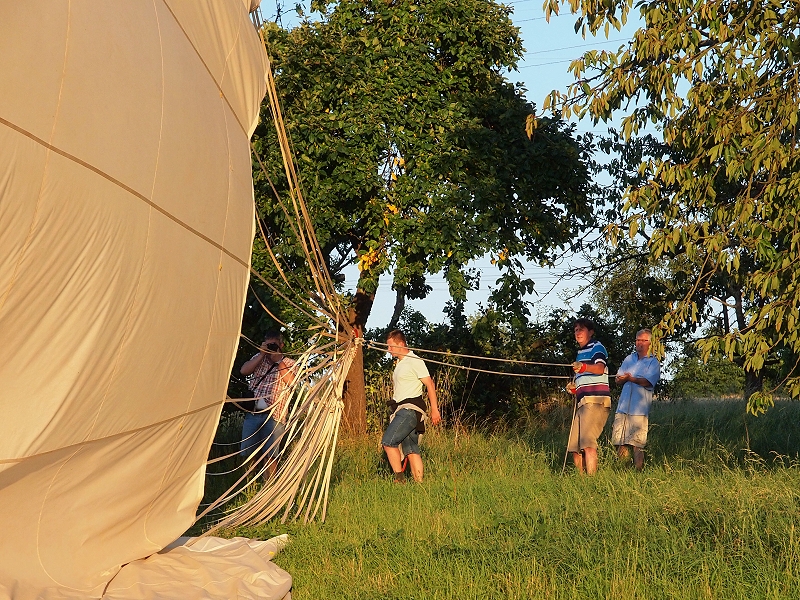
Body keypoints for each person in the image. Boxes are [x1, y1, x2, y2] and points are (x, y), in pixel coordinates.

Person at [381, 330, 441, 482]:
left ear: (401, 344)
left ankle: (399, 479)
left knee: (388, 442)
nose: (389, 350)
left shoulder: (414, 361)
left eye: (391, 346)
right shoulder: (400, 363)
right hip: (403, 409)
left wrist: (434, 409)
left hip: (410, 409)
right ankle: (420, 485)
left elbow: (430, 384)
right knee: (411, 449)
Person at [239, 331, 296, 480]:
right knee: (248, 453)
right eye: (268, 344)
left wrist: (278, 361)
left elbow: (292, 382)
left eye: (274, 345)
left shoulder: (289, 363)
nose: (271, 348)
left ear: (281, 345)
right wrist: (261, 354)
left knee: (271, 455)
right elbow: (244, 370)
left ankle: (269, 485)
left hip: (275, 415)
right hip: (254, 413)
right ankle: (248, 484)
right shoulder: (259, 358)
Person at [566, 317, 611, 475]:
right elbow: (586, 377)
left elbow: (599, 369)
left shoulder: (597, 346)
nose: (578, 332)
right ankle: (582, 482)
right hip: (583, 403)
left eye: (581, 329)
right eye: (576, 330)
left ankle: (592, 480)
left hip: (595, 401)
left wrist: (583, 367)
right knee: (574, 447)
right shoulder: (580, 353)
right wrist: (574, 389)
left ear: (590, 332)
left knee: (587, 443)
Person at [613, 328, 661, 471]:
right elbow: (617, 379)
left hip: (639, 409)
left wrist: (630, 378)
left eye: (644, 340)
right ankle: (623, 470)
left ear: (650, 343)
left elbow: (648, 382)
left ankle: (638, 471)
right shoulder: (629, 359)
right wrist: (621, 379)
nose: (640, 343)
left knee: (637, 443)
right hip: (623, 406)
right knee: (620, 441)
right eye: (638, 340)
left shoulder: (653, 362)